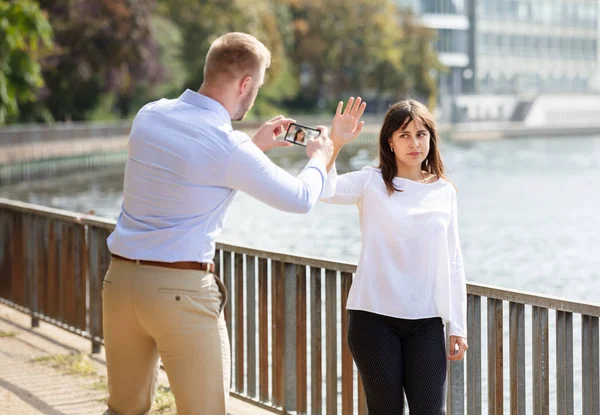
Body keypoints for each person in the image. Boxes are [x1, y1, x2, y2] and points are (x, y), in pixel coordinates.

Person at [101, 32, 334, 415]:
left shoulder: (150, 115)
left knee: (123, 409)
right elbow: (301, 198)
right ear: (245, 84)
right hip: (180, 293)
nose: (255, 93)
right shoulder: (229, 146)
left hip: (121, 283)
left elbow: (189, 173)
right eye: (256, 85)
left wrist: (252, 146)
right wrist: (320, 158)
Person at [322, 98, 468, 414]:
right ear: (390, 141)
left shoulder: (444, 191)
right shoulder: (370, 181)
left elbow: (453, 260)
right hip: (373, 318)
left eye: (421, 134)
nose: (414, 143)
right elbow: (323, 190)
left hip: (426, 321)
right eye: (404, 135)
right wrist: (335, 142)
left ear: (431, 138)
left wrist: (457, 325)